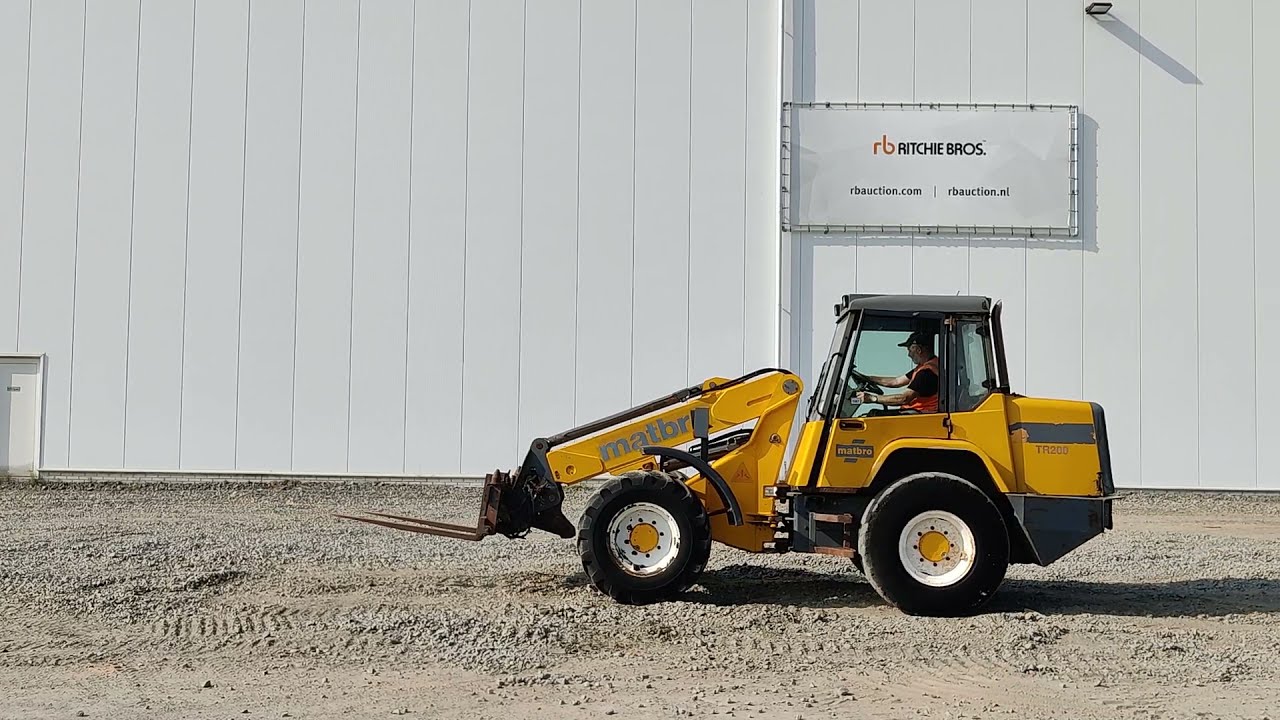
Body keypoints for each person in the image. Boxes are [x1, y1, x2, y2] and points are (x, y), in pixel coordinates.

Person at [856, 330, 940, 413]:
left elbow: (904, 398)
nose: (909, 355)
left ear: (918, 350)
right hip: (914, 413)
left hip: (918, 415)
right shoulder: (927, 366)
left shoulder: (926, 373)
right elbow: (896, 381)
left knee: (873, 415)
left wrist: (873, 398)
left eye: (909, 350)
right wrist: (868, 378)